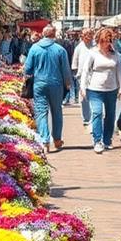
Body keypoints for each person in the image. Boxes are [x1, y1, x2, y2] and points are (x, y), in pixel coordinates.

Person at [24, 25, 73, 153]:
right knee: (56, 111)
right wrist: (68, 83)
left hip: (39, 83)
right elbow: (66, 70)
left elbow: (27, 68)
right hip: (56, 84)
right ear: (54, 35)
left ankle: (45, 140)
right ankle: (57, 139)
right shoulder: (60, 50)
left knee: (41, 111)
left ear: (43, 34)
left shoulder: (34, 48)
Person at [81, 28, 121, 154]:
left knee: (110, 115)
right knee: (97, 113)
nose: (106, 44)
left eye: (109, 41)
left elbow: (118, 71)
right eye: (104, 41)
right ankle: (97, 140)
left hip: (111, 89)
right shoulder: (92, 53)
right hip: (95, 89)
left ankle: (107, 139)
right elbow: (85, 71)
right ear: (99, 41)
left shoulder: (115, 54)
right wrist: (83, 87)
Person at [73, 28, 95, 127]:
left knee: (94, 96)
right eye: (86, 34)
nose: (89, 36)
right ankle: (86, 118)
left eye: (90, 34)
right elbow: (75, 62)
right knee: (84, 97)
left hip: (94, 75)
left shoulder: (96, 47)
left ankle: (94, 116)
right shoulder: (79, 47)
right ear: (82, 36)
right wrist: (76, 74)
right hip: (81, 76)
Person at [62, 32, 78, 104]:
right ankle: (72, 98)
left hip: (70, 65)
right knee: (71, 82)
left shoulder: (69, 44)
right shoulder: (70, 44)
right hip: (70, 64)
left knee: (70, 82)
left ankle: (71, 98)